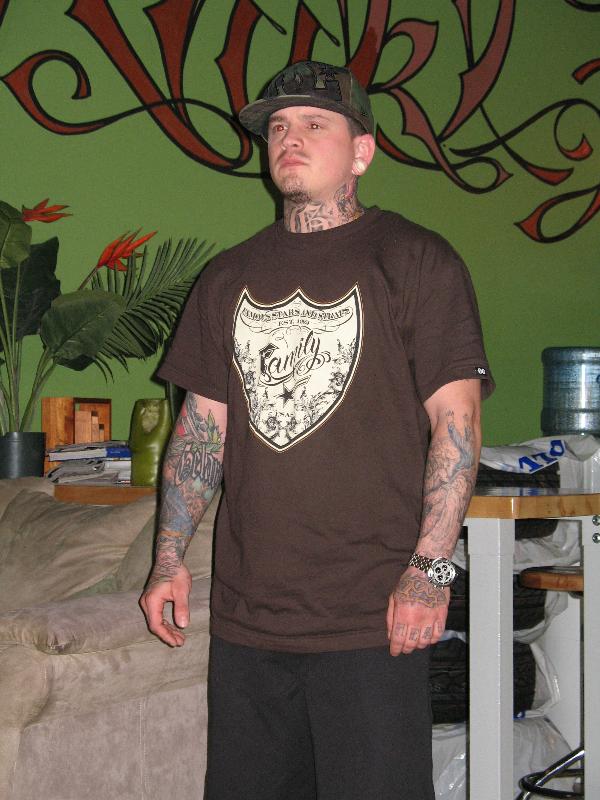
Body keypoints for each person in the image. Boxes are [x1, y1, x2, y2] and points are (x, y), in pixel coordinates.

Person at [140, 60, 494, 800]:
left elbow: (456, 424)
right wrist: (168, 557)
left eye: (313, 123)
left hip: (374, 618)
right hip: (248, 621)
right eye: (277, 126)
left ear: (362, 151)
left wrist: (431, 571)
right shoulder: (226, 277)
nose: (289, 138)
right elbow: (201, 433)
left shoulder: (417, 260)